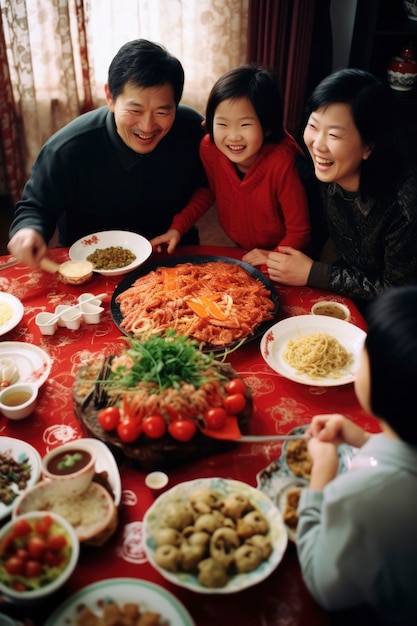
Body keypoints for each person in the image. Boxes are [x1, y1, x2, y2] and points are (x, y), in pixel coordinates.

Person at [7, 39, 212, 267]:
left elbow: (207, 184)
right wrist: (28, 231)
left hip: (174, 255)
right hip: (91, 265)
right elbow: (36, 207)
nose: (147, 126)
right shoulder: (68, 148)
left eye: (163, 111)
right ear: (110, 97)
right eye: (135, 110)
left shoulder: (192, 129)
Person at [297, 285, 417, 626]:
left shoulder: (359, 496)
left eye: (368, 351)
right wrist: (365, 439)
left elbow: (323, 586)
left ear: (386, 383)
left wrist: (322, 472)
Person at [266, 68, 417, 310]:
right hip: (352, 285)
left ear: (368, 146)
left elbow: (399, 290)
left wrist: (316, 273)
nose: (318, 145)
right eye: (313, 126)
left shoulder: (403, 207)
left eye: (334, 135)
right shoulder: (325, 171)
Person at [151, 65, 310, 267]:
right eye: (223, 124)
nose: (233, 136)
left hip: (287, 253)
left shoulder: (282, 161)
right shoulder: (210, 147)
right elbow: (209, 191)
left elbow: (299, 232)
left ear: (268, 126)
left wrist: (271, 259)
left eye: (245, 125)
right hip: (244, 247)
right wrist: (178, 228)